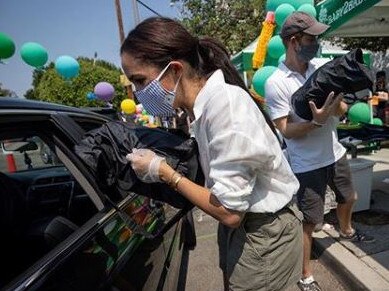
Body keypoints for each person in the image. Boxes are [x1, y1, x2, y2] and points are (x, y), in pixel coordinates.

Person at [122, 17, 303, 290]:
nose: (138, 93)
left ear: (173, 70)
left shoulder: (225, 107)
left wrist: (165, 172)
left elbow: (230, 212)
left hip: (263, 231)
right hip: (246, 227)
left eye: (140, 80)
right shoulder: (204, 108)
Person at [265, 12, 375, 291]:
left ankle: (346, 229)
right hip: (306, 163)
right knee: (310, 222)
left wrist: (338, 106)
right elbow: (285, 129)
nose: (316, 42)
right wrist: (315, 122)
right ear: (293, 41)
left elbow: (342, 109)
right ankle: (306, 275)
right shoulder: (276, 82)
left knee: (349, 197)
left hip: (334, 151)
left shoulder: (321, 68)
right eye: (311, 38)